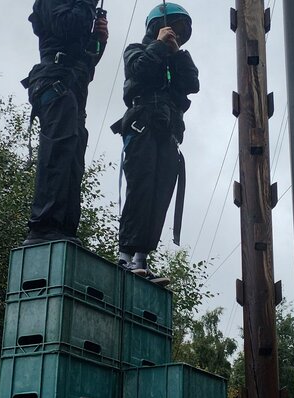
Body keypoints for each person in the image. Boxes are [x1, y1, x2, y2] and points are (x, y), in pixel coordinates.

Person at [112, 2, 199, 276]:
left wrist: (176, 53)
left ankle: (141, 257)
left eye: (182, 32)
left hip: (169, 132)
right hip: (143, 125)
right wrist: (159, 46)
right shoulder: (137, 50)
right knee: (141, 188)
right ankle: (124, 254)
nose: (178, 35)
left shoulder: (178, 59)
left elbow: (192, 85)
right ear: (156, 27)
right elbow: (139, 71)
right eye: (174, 28)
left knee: (160, 195)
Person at [22, 0, 109, 246]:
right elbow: (67, 25)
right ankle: (44, 226)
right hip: (55, 79)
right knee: (58, 150)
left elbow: (86, 60)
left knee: (72, 157)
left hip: (72, 85)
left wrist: (98, 40)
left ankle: (64, 227)